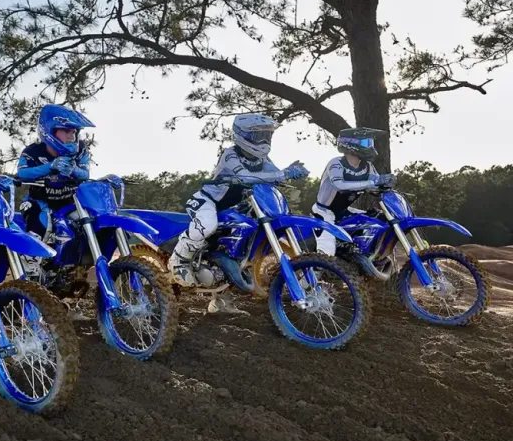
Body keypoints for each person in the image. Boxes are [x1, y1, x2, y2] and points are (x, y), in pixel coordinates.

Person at [167, 113, 310, 314]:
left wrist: (290, 172)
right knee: (207, 225)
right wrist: (284, 173)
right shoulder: (230, 154)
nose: (263, 140)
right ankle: (179, 260)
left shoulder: (263, 159)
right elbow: (246, 176)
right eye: (258, 135)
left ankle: (221, 300)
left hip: (235, 208)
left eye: (266, 135)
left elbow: (272, 175)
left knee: (237, 249)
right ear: (242, 135)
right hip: (209, 201)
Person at [15, 104, 95, 278]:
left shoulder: (80, 149)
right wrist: (50, 166)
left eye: (74, 132)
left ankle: (73, 266)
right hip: (40, 201)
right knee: (41, 225)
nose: (71, 136)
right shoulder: (33, 151)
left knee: (87, 222)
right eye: (66, 131)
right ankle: (29, 269)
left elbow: (86, 173)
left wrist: (73, 170)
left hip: (69, 202)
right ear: (49, 131)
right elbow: (22, 173)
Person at [311, 127, 396, 257]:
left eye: (370, 143)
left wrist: (386, 182)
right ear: (350, 144)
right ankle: (313, 274)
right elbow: (339, 185)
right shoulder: (336, 163)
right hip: (324, 211)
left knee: (379, 220)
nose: (370, 147)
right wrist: (373, 182)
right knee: (326, 251)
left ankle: (365, 257)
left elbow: (375, 183)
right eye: (366, 143)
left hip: (344, 210)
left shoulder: (367, 166)